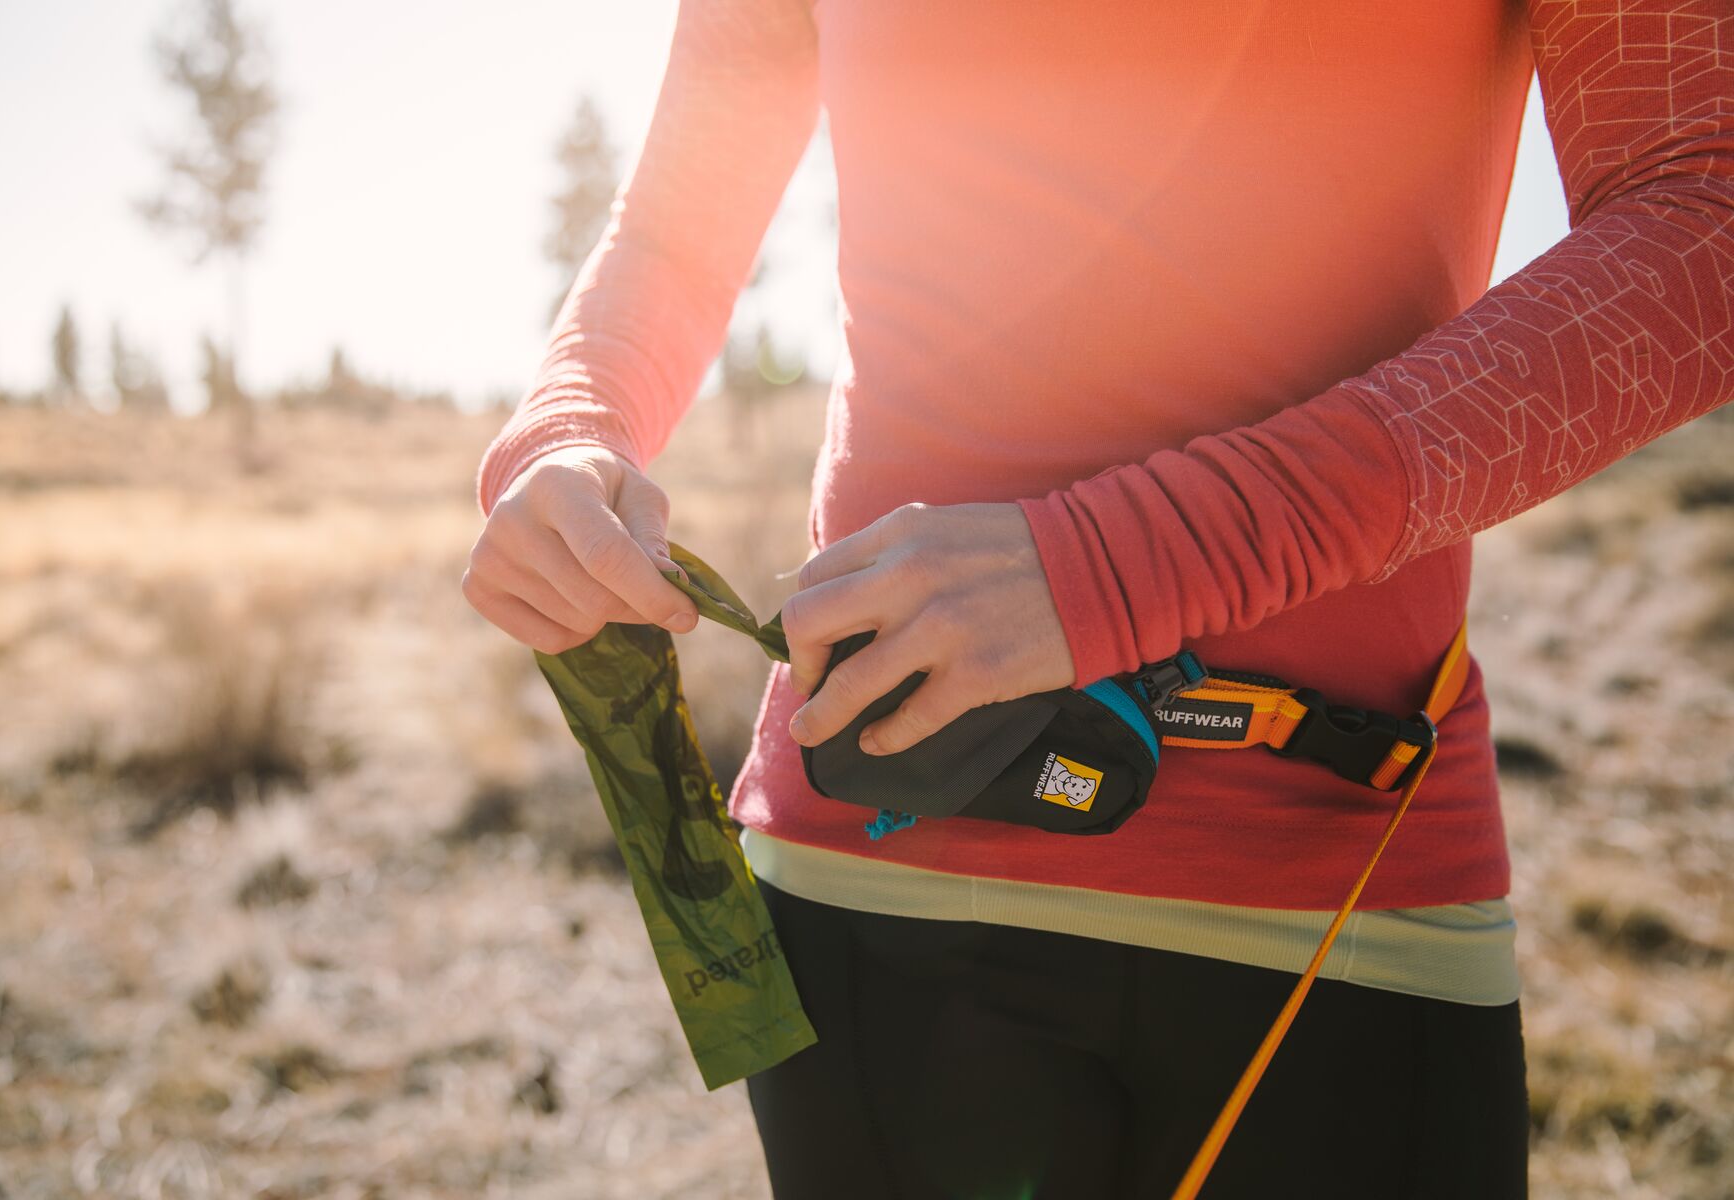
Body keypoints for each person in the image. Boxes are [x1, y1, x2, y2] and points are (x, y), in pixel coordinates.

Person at [463, 1, 1732, 1195]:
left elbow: (1701, 214)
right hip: (886, 860)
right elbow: (673, 232)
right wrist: (572, 427)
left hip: (1336, 868)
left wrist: (1109, 566)